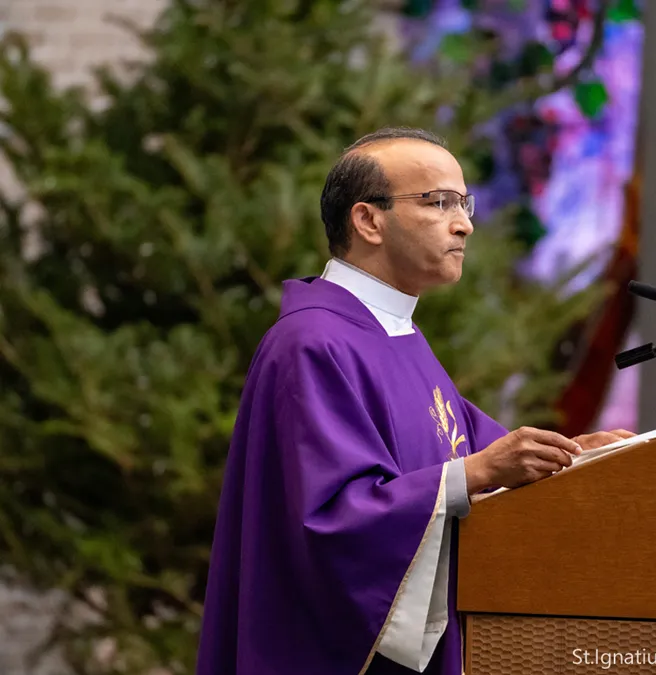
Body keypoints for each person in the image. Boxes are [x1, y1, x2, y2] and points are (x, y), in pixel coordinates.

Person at [196, 127, 633, 675]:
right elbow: (331, 522)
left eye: (464, 203)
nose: (465, 223)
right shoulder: (312, 343)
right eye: (439, 202)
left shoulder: (394, 334)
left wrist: (567, 454)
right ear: (368, 220)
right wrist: (473, 474)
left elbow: (467, 446)